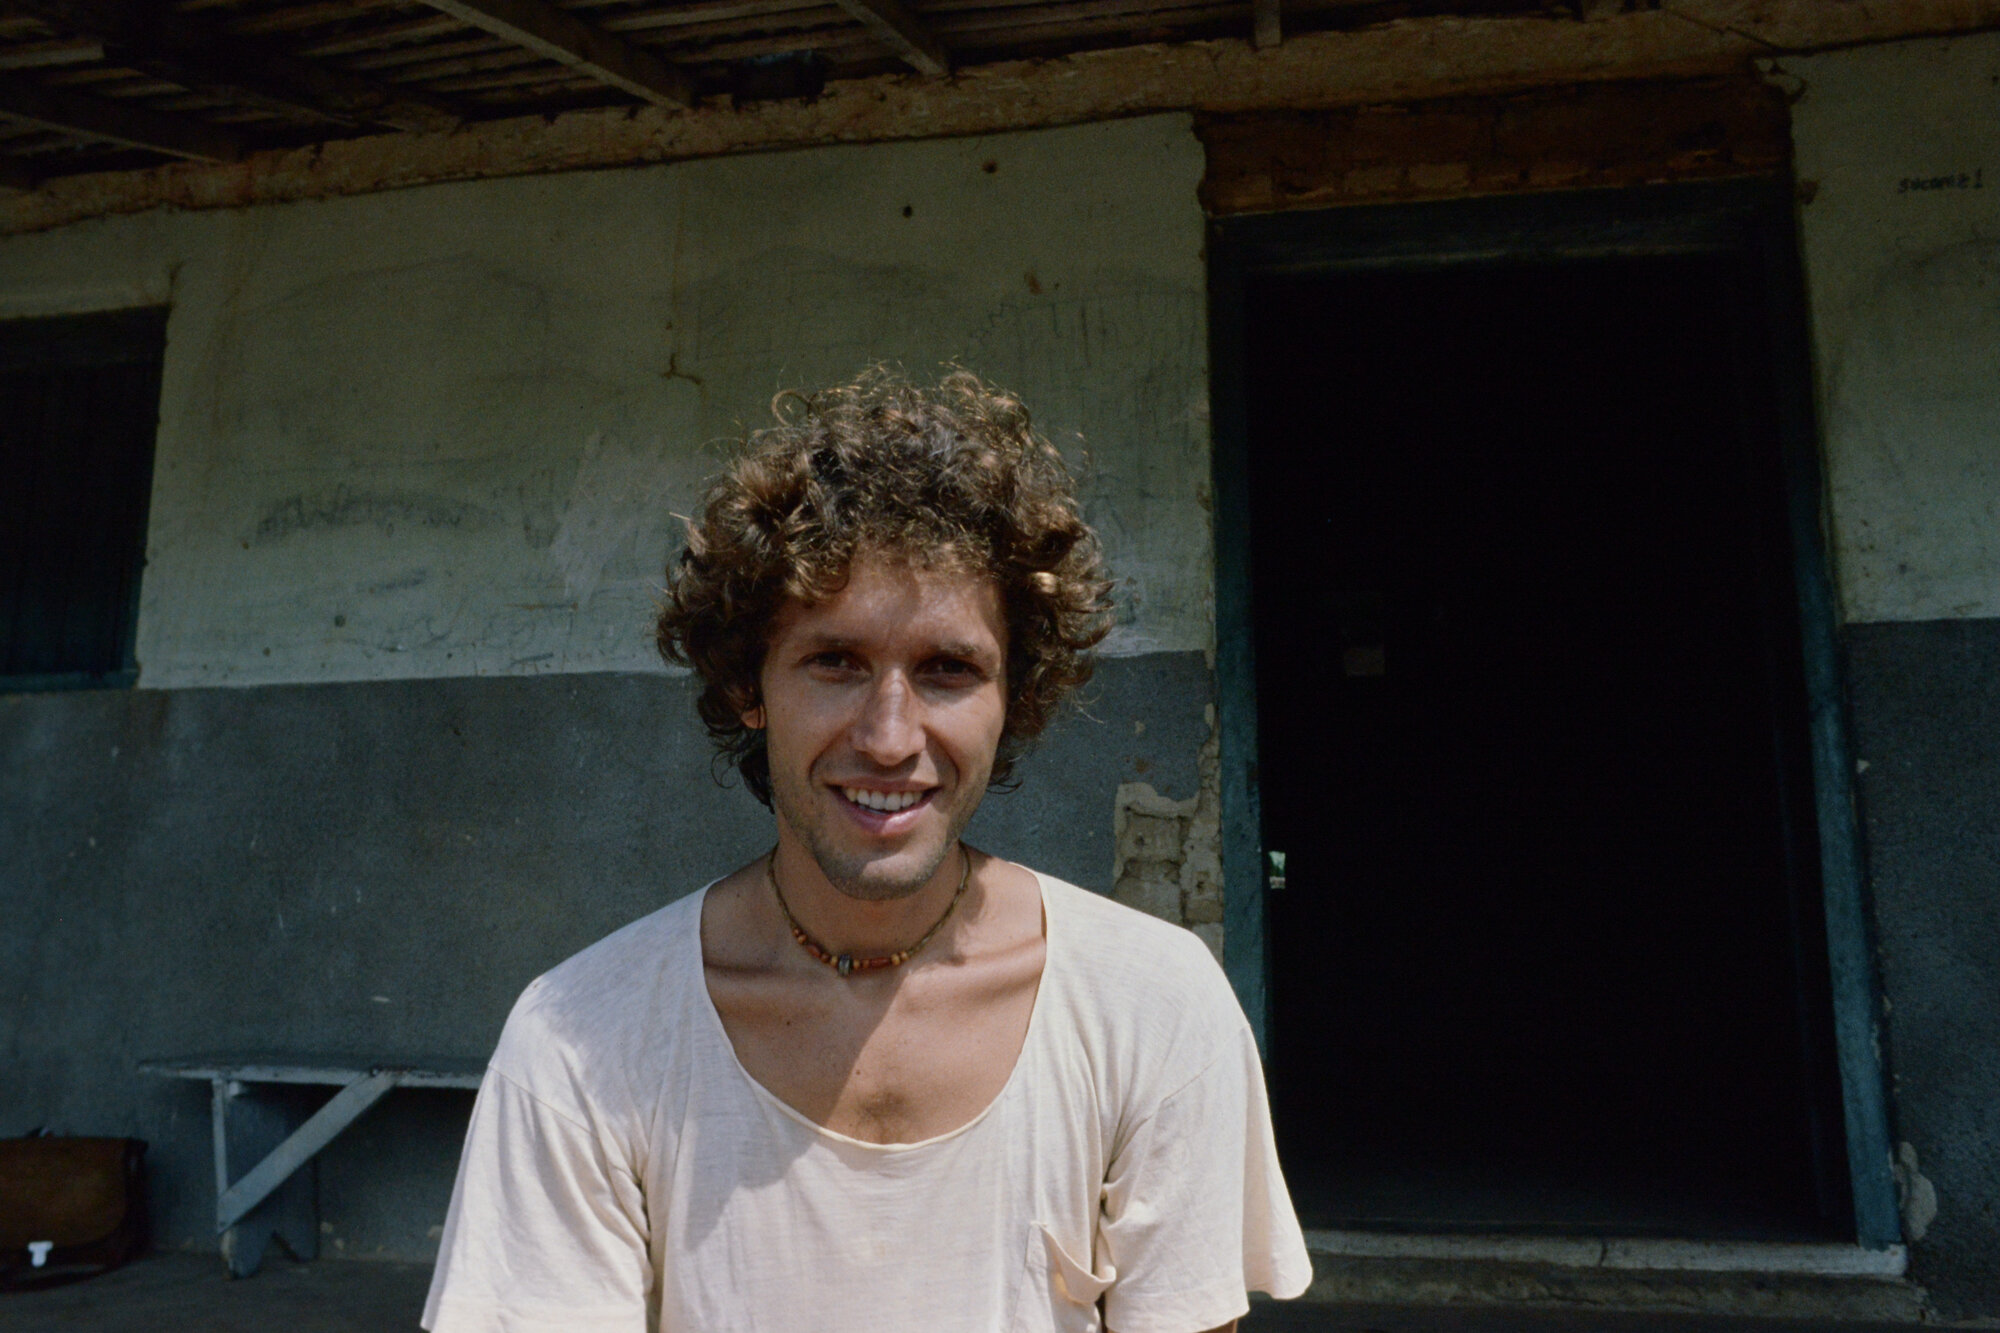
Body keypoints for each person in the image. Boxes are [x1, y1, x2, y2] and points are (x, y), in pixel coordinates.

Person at [422, 369, 1311, 1333]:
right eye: (835, 660)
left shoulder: (1155, 1008)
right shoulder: (582, 1044)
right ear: (746, 690)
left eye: (948, 668)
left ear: (1015, 699)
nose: (890, 736)